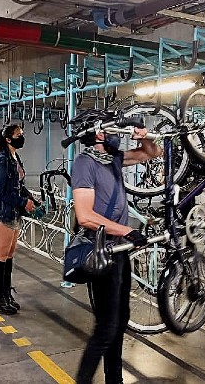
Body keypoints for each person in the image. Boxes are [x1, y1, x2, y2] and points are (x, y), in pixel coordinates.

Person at [71, 122, 161, 384]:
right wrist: (127, 230)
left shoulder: (113, 159)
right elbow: (85, 215)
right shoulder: (84, 163)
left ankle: (115, 380)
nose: (117, 136)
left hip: (120, 250)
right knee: (106, 326)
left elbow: (151, 153)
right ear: (99, 134)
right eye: (113, 131)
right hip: (101, 249)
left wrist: (143, 136)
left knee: (120, 321)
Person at [0, 124, 37, 315]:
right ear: (8, 139)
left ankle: (7, 295)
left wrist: (30, 199)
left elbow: (17, 184)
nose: (21, 137)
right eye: (18, 135)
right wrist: (22, 201)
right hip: (2, 213)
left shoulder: (14, 157)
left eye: (22, 134)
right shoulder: (2, 160)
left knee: (9, 256)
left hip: (14, 212)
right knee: (0, 256)